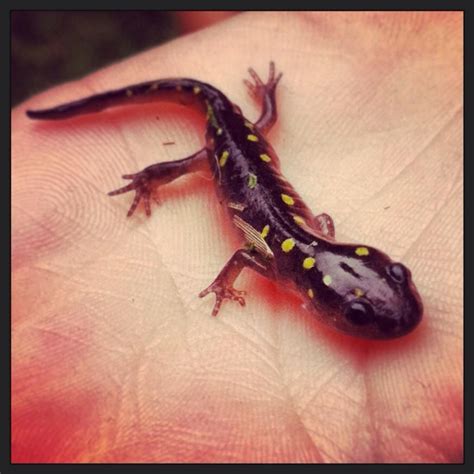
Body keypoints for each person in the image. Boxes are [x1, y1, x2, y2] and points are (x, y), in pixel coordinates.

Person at [12, 12, 462, 463]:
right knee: (200, 162)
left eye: (394, 277)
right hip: (224, 149)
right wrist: (229, 277)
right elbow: (261, 248)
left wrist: (234, 278)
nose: (392, 293)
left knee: (247, 137)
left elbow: (269, 244)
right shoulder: (295, 257)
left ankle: (244, 116)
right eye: (360, 310)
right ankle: (151, 176)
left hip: (241, 148)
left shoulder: (296, 256)